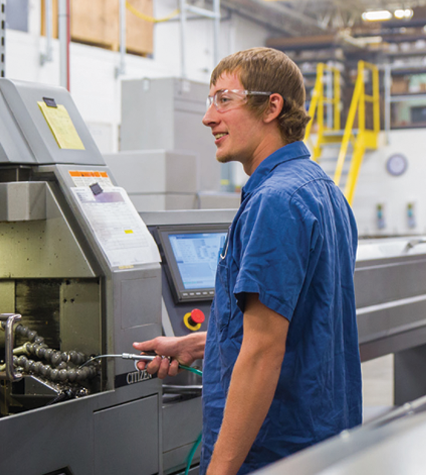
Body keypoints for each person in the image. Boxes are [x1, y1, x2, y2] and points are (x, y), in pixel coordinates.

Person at [133, 47, 361, 475]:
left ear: (272, 106)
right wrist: (198, 345)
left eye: (224, 99)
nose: (208, 118)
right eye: (209, 101)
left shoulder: (274, 203)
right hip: (320, 441)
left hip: (275, 450)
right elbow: (294, 324)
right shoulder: (324, 191)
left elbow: (263, 351)